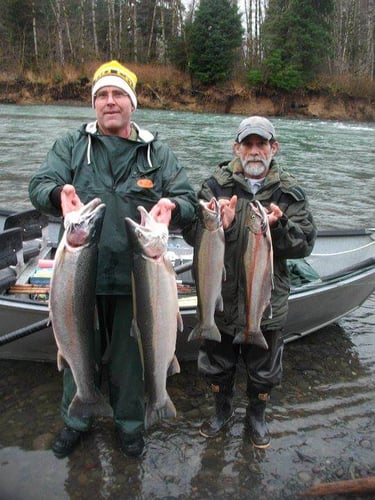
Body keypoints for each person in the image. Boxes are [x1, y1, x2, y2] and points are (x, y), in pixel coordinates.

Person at [28, 60, 197, 458]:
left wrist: (173, 205)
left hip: (133, 281)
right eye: (101, 95)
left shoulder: (157, 152)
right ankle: (77, 418)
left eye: (118, 94)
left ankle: (130, 425)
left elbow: (188, 199)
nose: (109, 102)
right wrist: (58, 196)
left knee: (130, 360)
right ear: (94, 104)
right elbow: (39, 185)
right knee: (75, 353)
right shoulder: (72, 144)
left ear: (132, 104)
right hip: (77, 278)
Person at [188, 116, 316, 448]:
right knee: (217, 365)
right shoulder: (214, 186)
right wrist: (217, 225)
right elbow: (191, 232)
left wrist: (279, 226)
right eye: (248, 144)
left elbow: (304, 244)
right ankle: (222, 410)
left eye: (262, 144)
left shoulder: (290, 191)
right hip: (222, 297)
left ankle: (256, 416)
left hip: (266, 300)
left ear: (275, 148)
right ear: (237, 148)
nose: (255, 151)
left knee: (264, 369)